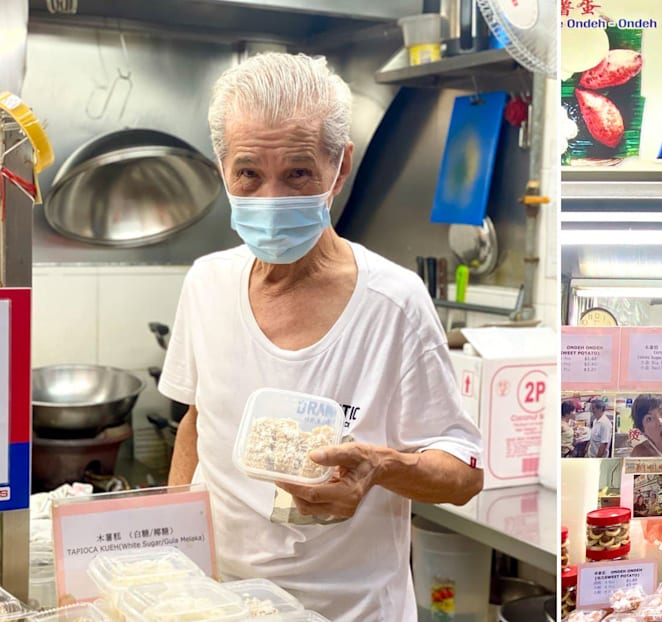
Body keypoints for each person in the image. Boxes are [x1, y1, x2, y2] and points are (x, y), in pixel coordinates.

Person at [159, 52, 483, 622]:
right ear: (222, 169)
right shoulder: (206, 282)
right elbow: (195, 420)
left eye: (299, 173)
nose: (271, 199)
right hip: (220, 605)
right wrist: (175, 556)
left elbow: (462, 474)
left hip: (350, 610)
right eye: (249, 173)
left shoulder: (395, 303)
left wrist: (380, 466)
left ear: (341, 166)